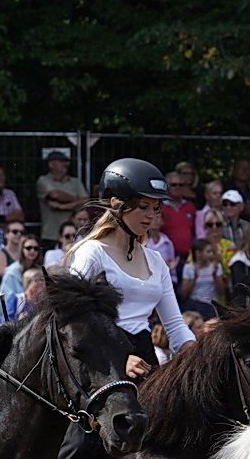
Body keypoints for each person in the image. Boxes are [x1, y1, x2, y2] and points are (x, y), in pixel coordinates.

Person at [66, 157, 195, 378]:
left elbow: (174, 325)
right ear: (116, 204)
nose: (152, 216)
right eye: (143, 207)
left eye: (156, 208)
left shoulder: (156, 261)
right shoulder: (91, 252)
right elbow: (75, 321)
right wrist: (117, 356)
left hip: (145, 359)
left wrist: (195, 352)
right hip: (101, 363)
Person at [36, 150, 90, 246]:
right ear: (51, 164)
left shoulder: (75, 181)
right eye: (61, 161)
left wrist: (64, 206)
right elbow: (55, 195)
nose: (65, 164)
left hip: (74, 235)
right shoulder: (43, 180)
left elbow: (86, 201)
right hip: (51, 234)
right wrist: (77, 200)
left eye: (65, 161)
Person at [177, 238, 226, 319]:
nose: (211, 255)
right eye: (208, 252)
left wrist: (215, 275)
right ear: (198, 253)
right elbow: (184, 293)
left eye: (212, 252)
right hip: (195, 304)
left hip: (211, 304)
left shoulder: (216, 267)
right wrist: (195, 277)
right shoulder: (189, 268)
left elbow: (221, 292)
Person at [0, 234, 45, 317]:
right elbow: (5, 302)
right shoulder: (11, 272)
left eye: (36, 248)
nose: (32, 251)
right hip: (14, 316)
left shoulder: (41, 271)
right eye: (28, 248)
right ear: (22, 249)